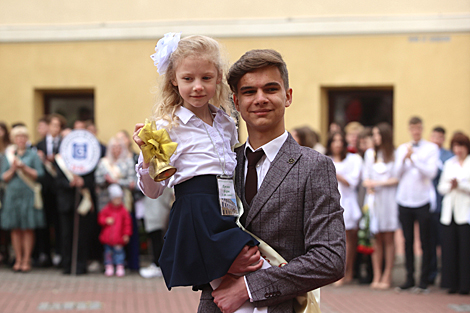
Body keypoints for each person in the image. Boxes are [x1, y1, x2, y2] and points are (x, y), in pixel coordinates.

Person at [200, 49, 345, 312]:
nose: (260, 99)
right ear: (236, 101)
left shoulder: (314, 167)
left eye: (270, 89)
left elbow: (330, 259)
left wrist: (249, 286)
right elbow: (191, 240)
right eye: (249, 92)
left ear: (287, 96)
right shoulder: (218, 165)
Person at [134, 34, 266, 312]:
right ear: (173, 79)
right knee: (245, 267)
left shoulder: (226, 121)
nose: (197, 87)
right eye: (188, 79)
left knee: (244, 277)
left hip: (228, 206)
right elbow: (154, 190)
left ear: (219, 77)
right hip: (197, 210)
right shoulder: (165, 126)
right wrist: (147, 158)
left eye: (206, 78)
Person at [395, 116, 438, 293]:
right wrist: (405, 159)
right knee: (407, 240)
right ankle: (409, 277)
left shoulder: (431, 148)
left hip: (422, 199)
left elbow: (431, 173)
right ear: (409, 129)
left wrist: (415, 160)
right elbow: (396, 173)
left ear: (422, 128)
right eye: (413, 128)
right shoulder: (402, 148)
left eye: (419, 128)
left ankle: (424, 280)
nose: (416, 131)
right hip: (404, 199)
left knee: (426, 240)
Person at [1, 126, 45, 272]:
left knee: (27, 228)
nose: (21, 139)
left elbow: (39, 174)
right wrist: (13, 169)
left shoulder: (32, 155)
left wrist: (24, 168)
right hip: (13, 195)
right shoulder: (7, 156)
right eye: (18, 137)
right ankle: (18, 259)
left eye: (23, 137)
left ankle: (27, 259)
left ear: (27, 139)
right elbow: (3, 177)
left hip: (28, 194)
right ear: (14, 139)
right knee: (15, 228)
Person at [362, 123, 399, 290]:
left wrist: (377, 183)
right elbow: (365, 178)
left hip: (389, 200)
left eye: (377, 134)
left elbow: (396, 178)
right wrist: (371, 184)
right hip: (374, 199)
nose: (375, 138)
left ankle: (388, 274)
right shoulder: (370, 154)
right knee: (375, 238)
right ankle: (377, 274)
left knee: (388, 238)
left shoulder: (394, 154)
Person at [326, 131, 362, 285]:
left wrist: (335, 173)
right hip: (329, 202)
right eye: (334, 140)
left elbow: (352, 182)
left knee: (349, 239)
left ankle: (348, 271)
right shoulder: (325, 159)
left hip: (347, 202)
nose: (338, 144)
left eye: (340, 140)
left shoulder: (353, 159)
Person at [437, 132, 470, 295]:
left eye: (461, 146)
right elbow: (441, 187)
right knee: (449, 249)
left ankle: (465, 285)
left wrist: (461, 186)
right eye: (456, 146)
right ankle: (451, 283)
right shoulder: (449, 164)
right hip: (449, 212)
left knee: (465, 250)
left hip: (465, 212)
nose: (458, 150)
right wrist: (451, 186)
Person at [35, 113, 66, 267]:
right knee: (44, 223)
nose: (55, 128)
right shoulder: (39, 145)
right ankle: (44, 254)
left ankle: (60, 254)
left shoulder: (64, 145)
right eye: (53, 125)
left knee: (60, 224)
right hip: (44, 190)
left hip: (59, 190)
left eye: (58, 126)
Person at [428, 126, 453, 285]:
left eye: (439, 137)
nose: (436, 140)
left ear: (443, 139)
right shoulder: (426, 153)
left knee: (443, 242)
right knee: (429, 242)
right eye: (434, 137)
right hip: (429, 204)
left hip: (443, 205)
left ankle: (446, 275)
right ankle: (431, 274)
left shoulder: (448, 156)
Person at [98, 184, 132, 277]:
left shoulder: (123, 211)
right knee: (108, 253)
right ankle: (109, 266)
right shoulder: (107, 209)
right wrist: (106, 220)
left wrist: (126, 234)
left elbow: (127, 224)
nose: (118, 201)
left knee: (119, 253)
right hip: (108, 238)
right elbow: (100, 218)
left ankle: (119, 266)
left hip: (118, 237)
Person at [139, 189, 173, 279]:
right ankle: (158, 264)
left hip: (157, 208)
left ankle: (158, 265)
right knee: (156, 237)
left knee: (157, 237)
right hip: (156, 207)